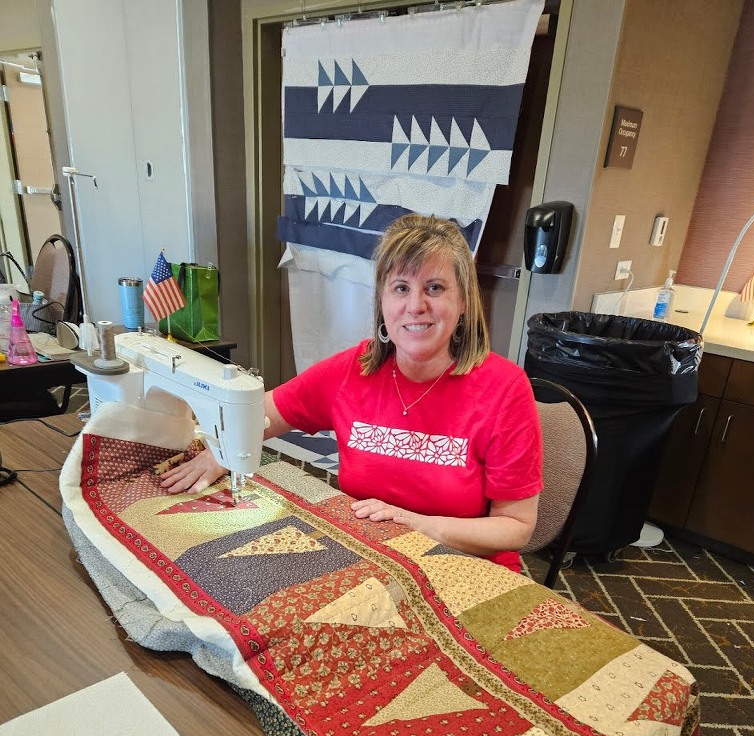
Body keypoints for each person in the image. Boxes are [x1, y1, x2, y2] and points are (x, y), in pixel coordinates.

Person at [160, 214, 543, 572]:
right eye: (401, 288)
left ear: (463, 302)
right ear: (382, 301)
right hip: (373, 558)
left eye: (435, 288)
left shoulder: (505, 390)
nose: (416, 305)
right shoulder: (352, 371)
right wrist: (225, 451)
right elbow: (261, 413)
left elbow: (516, 527)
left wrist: (418, 525)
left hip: (468, 569)